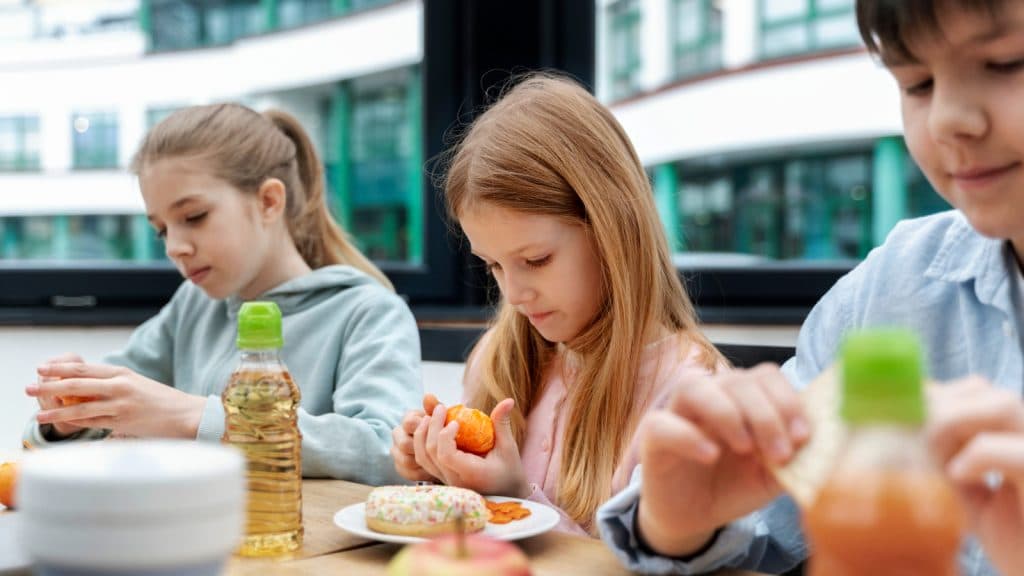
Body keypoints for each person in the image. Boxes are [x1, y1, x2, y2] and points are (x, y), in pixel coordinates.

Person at [596, 1, 1024, 574]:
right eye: (917, 82)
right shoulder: (891, 292)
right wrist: (678, 523)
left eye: (1006, 62)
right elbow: (748, 520)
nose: (947, 118)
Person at [389, 73, 726, 536]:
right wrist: (442, 474)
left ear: (612, 229)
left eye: (536, 260)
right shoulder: (497, 359)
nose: (514, 294)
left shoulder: (691, 396)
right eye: (494, 266)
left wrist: (516, 496)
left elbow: (647, 564)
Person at [23, 103, 421, 484]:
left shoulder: (368, 312)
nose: (173, 247)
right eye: (162, 229)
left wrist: (196, 417)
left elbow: (388, 452)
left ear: (269, 201)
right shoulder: (193, 306)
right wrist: (68, 419)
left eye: (193, 217)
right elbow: (100, 416)